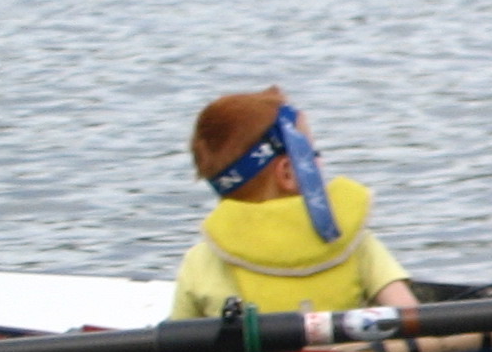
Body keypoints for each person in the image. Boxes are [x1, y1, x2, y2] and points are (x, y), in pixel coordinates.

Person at [171, 88, 419, 321]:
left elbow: (177, 350)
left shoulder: (202, 261)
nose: (320, 162)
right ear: (288, 173)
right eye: (312, 154)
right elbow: (410, 317)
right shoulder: (351, 240)